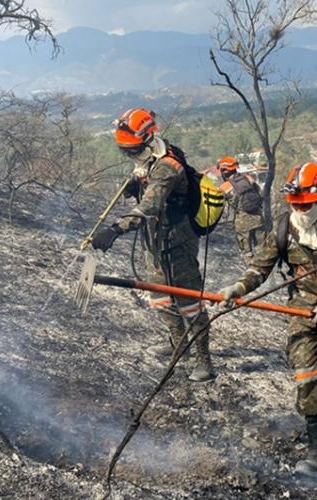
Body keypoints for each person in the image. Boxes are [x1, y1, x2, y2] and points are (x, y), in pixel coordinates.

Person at [218, 162, 317, 477]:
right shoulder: (284, 228)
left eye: (305, 203)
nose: (300, 210)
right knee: (305, 373)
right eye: (295, 204)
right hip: (301, 311)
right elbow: (259, 268)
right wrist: (239, 287)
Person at [90, 107, 215, 382]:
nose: (129, 155)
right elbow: (146, 189)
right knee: (159, 298)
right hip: (154, 241)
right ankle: (178, 344)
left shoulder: (168, 167)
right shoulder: (148, 159)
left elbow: (149, 206)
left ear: (148, 140)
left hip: (178, 242)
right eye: (125, 150)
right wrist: (135, 184)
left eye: (133, 150)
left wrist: (115, 229)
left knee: (188, 302)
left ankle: (204, 360)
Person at [217, 156, 265, 265]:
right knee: (262, 250)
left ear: (224, 171)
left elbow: (219, 206)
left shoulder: (224, 187)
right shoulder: (248, 178)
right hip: (258, 218)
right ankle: (268, 277)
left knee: (247, 254)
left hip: (242, 224)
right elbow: (260, 193)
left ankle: (252, 275)